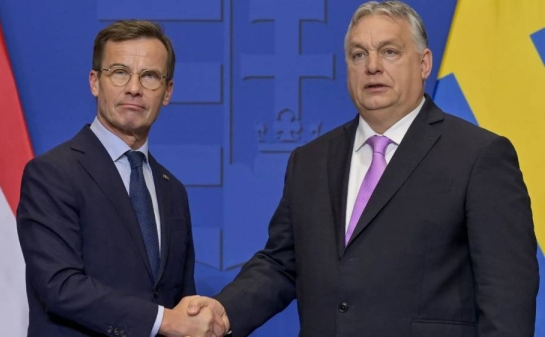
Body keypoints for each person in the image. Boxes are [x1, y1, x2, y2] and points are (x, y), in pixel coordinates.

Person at [186, 1, 539, 336]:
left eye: (389, 51)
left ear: (424, 63)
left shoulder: (479, 156)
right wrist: (224, 311)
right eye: (359, 54)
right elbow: (282, 263)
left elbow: (507, 293)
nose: (372, 66)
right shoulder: (310, 161)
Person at [17, 20, 227, 337]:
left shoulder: (173, 191)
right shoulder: (51, 173)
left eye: (150, 76)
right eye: (119, 72)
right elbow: (59, 286)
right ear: (94, 82)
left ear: (167, 92)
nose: (134, 87)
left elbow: (180, 301)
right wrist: (165, 321)